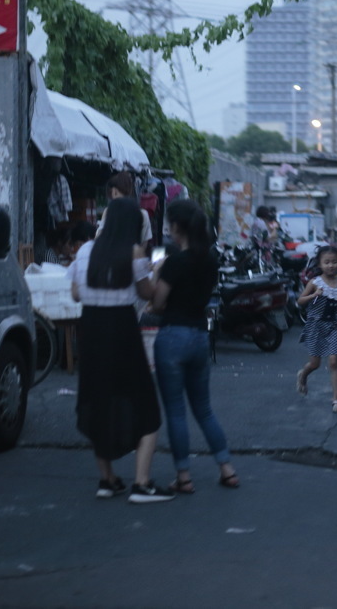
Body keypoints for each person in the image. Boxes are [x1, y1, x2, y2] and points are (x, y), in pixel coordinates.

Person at [67, 196, 174, 504]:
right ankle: (142, 484)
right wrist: (157, 269)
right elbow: (150, 295)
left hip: (92, 332)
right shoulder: (135, 252)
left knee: (97, 401)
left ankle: (107, 479)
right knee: (146, 406)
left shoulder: (85, 250)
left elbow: (75, 293)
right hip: (122, 333)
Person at [150, 199, 240, 493]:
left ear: (178, 227)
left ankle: (184, 477)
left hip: (172, 337)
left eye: (170, 225)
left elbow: (157, 303)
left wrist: (156, 273)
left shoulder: (174, 262)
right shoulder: (210, 261)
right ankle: (226, 468)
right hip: (200, 336)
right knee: (203, 409)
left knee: (176, 411)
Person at [295, 244, 337, 412]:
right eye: (326, 262)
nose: (330, 265)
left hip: (333, 326)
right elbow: (300, 301)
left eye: (334, 262)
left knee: (333, 362)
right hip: (316, 326)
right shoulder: (315, 282)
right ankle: (303, 375)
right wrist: (313, 295)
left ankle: (336, 400)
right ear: (319, 264)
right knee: (315, 364)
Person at [98, 172, 153, 248]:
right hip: (134, 257)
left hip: (113, 258)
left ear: (114, 192)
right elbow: (144, 243)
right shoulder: (143, 214)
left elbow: (98, 240)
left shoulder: (109, 212)